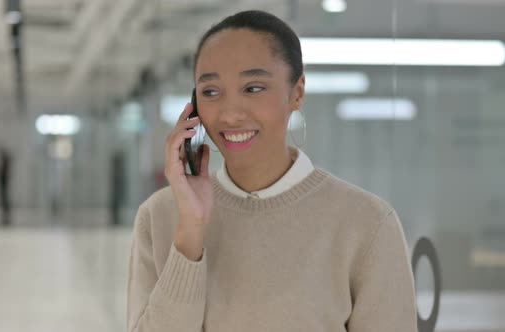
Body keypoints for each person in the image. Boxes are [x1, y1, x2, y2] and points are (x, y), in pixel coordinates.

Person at [127, 10, 417, 332]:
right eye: (211, 92)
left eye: (253, 88)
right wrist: (191, 233)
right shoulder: (159, 217)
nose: (231, 114)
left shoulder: (367, 224)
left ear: (297, 92)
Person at [0, 145, 12, 226]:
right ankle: (5, 215)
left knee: (5, 199)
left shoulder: (5, 161)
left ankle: (6, 215)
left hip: (4, 183)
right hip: (3, 182)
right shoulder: (5, 160)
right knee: (4, 199)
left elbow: (3, 172)